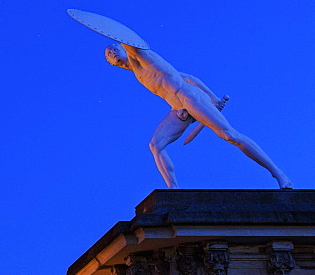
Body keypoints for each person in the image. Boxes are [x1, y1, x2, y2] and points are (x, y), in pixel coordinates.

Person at [104, 42, 292, 189]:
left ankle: (278, 173)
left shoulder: (143, 57)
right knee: (155, 145)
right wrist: (212, 98)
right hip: (178, 109)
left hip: (191, 98)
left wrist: (211, 98)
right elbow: (189, 76)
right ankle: (174, 191)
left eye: (113, 49)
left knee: (229, 135)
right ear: (112, 64)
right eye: (108, 56)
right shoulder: (138, 74)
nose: (111, 53)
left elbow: (130, 42)